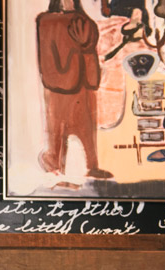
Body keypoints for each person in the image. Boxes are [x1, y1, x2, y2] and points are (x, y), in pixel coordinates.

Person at [36, 0, 113, 180]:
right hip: (59, 86)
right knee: (57, 130)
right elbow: (46, 54)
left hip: (83, 84)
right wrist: (60, 74)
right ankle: (55, 166)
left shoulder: (84, 21)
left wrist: (84, 46)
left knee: (87, 128)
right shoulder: (46, 21)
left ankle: (92, 166)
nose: (68, 1)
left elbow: (90, 41)